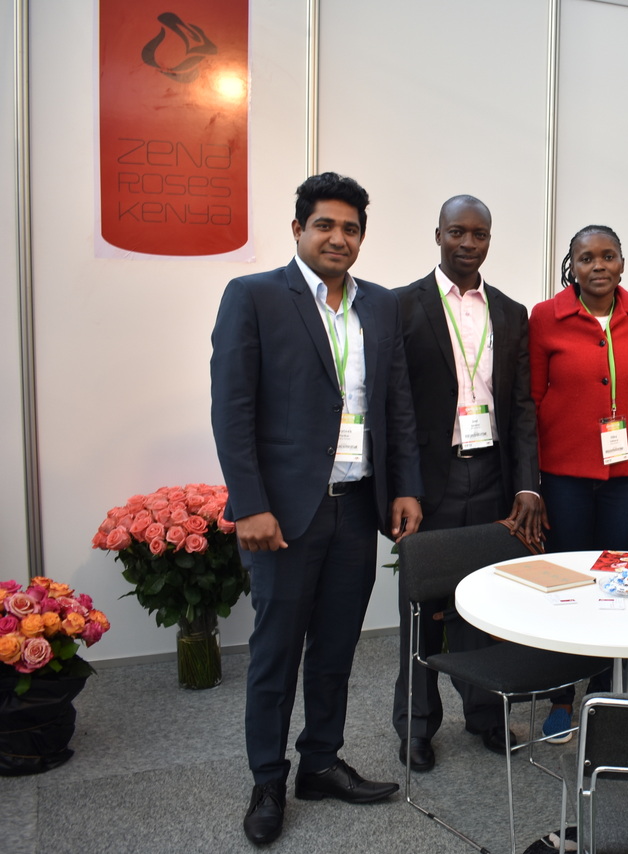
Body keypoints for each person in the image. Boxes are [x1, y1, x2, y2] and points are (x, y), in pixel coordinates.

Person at [211, 172, 423, 846]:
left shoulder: (380, 305)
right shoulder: (253, 296)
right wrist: (249, 505)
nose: (339, 238)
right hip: (282, 516)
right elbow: (232, 410)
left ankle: (321, 763)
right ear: (298, 229)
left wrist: (405, 487)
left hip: (357, 508)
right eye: (325, 225)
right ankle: (267, 781)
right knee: (275, 653)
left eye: (351, 228)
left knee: (335, 649)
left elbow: (396, 406)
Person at [393, 195, 542, 769]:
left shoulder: (510, 312)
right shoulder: (402, 306)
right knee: (422, 608)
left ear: (489, 240)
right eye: (457, 232)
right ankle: (416, 727)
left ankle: (486, 713)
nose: (468, 243)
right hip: (432, 480)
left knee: (488, 603)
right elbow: (397, 407)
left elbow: (522, 407)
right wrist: (403, 487)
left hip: (493, 477)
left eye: (479, 234)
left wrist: (527, 486)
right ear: (438, 235)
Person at [528, 224, 628, 738]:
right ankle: (561, 696)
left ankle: (608, 692)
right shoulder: (545, 317)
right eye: (587, 257)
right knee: (568, 585)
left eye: (608, 256)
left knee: (620, 585)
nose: (598, 266)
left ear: (622, 263)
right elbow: (531, 400)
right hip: (563, 477)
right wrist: (532, 481)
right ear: (571, 266)